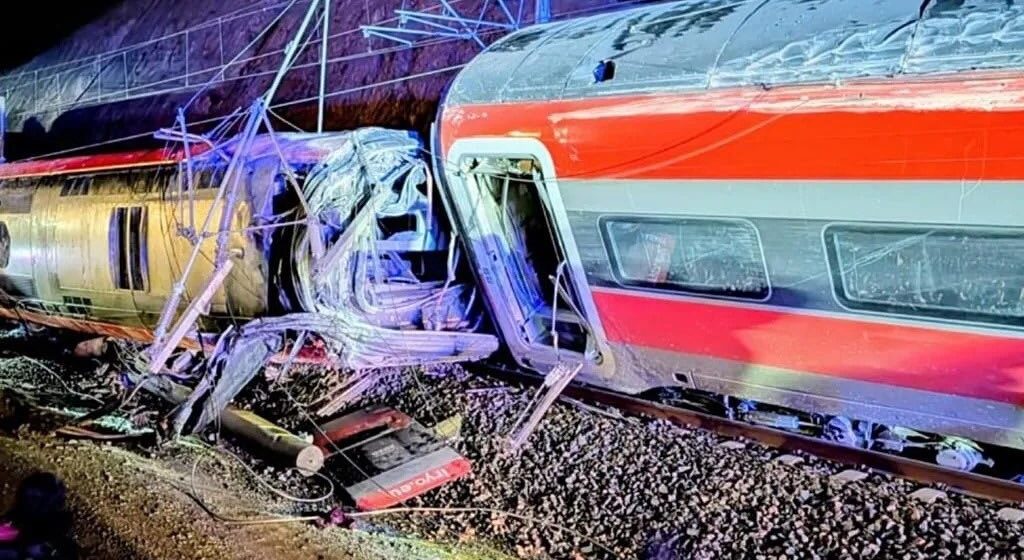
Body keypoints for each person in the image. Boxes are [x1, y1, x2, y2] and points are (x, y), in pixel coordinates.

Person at [0, 472, 78, 560]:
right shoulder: (12, 520)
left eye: (36, 499)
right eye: (28, 498)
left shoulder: (59, 531)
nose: (31, 504)